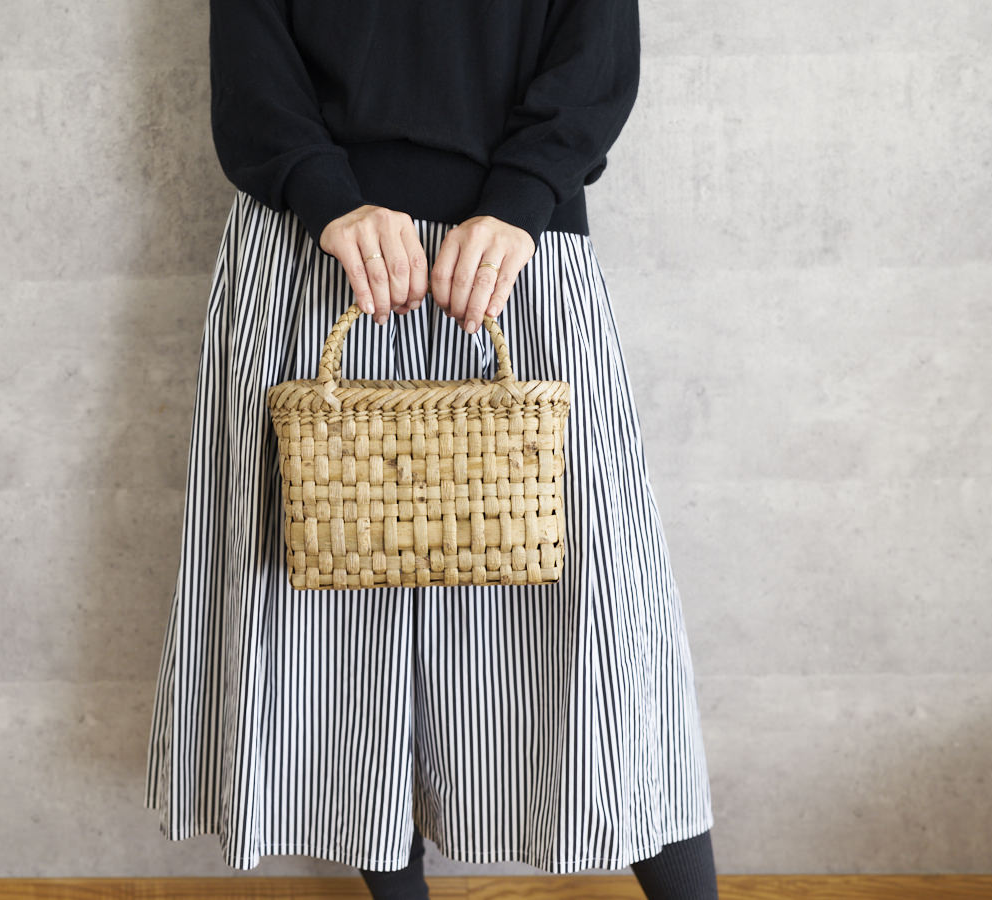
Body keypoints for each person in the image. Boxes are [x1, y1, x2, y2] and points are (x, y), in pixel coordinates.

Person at [143, 2, 720, 899]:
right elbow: (252, 70)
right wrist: (327, 196)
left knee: (603, 626)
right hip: (318, 255)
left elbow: (595, 57)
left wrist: (523, 198)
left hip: (514, 262)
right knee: (334, 623)